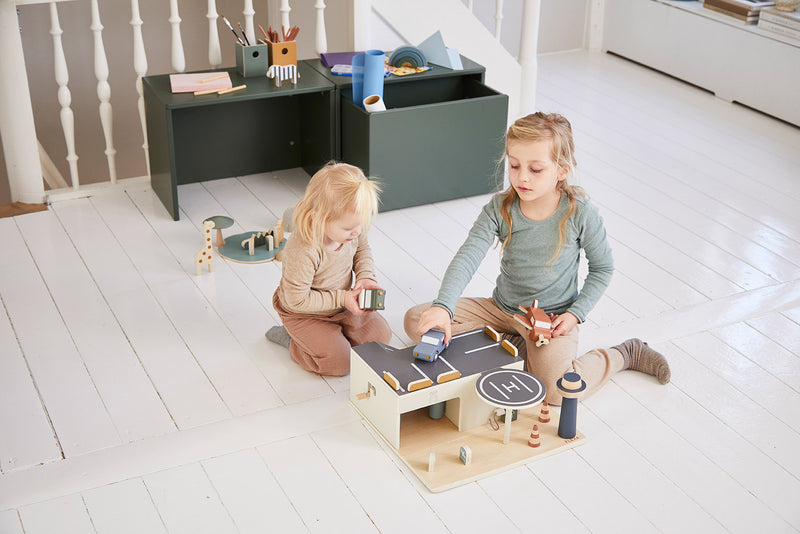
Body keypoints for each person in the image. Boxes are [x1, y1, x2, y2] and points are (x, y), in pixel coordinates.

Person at [404, 112, 670, 405]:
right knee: (418, 320)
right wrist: (443, 308)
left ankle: (625, 353)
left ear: (562, 170)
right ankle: (518, 345)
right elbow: (468, 256)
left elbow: (603, 269)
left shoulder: (581, 214)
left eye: (536, 169)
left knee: (557, 393)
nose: (522, 177)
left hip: (552, 319)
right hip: (501, 310)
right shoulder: (499, 208)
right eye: (514, 165)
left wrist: (574, 314)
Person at [267, 162, 391, 376]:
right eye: (348, 228)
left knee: (381, 337)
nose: (358, 231)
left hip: (341, 305)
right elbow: (296, 301)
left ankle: (336, 336)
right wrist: (343, 299)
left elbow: (362, 251)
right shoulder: (304, 250)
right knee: (340, 363)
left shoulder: (353, 229)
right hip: (303, 313)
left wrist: (365, 277)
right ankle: (292, 341)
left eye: (361, 224)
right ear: (318, 217)